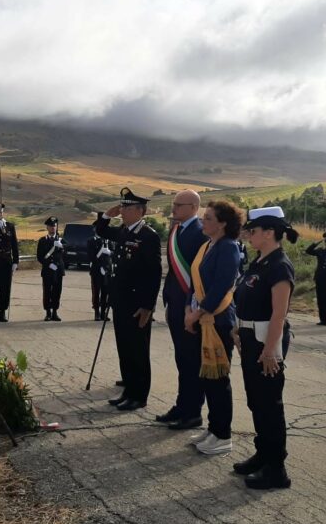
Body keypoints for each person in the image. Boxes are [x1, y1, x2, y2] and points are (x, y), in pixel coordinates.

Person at [232, 206, 297, 490]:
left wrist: (270, 351)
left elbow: (278, 314)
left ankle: (276, 467)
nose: (248, 235)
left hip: (265, 342)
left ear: (270, 233)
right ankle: (263, 454)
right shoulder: (259, 263)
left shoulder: (279, 265)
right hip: (249, 338)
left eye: (253, 231)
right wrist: (237, 329)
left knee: (270, 403)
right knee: (256, 400)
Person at [95, 187, 162, 411]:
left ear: (139, 211)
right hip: (121, 300)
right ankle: (129, 391)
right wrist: (107, 215)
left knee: (138, 350)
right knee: (125, 348)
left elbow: (153, 274)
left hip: (137, 303)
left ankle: (139, 395)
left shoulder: (148, 236)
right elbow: (101, 231)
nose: (122, 211)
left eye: (126, 207)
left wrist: (147, 306)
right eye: (121, 207)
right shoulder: (124, 231)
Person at [183, 201, 241, 455]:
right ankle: (213, 428)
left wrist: (198, 312)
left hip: (217, 320)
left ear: (223, 224)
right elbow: (193, 281)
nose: (203, 221)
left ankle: (223, 435)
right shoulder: (207, 245)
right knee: (205, 377)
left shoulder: (228, 247)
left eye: (208, 218)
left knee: (218, 379)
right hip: (200, 317)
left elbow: (221, 286)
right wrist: (188, 308)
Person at [156, 190, 207, 430]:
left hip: (191, 308)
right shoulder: (176, 230)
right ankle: (181, 405)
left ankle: (192, 411)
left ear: (194, 207)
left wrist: (192, 308)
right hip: (175, 304)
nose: (173, 208)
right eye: (173, 203)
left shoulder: (200, 233)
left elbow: (199, 276)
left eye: (178, 204)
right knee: (181, 359)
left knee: (191, 360)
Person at [37, 216, 65, 321]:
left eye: (54, 226)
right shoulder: (42, 241)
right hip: (47, 271)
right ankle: (48, 312)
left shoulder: (62, 240)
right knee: (47, 291)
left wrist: (62, 247)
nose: (53, 228)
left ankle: (55, 312)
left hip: (58, 271)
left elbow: (67, 254)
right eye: (51, 226)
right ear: (47, 228)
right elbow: (39, 256)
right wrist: (48, 264)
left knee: (57, 291)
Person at [88, 215, 113, 321]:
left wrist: (110, 252)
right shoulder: (91, 241)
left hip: (107, 270)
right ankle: (97, 313)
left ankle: (104, 313)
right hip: (96, 270)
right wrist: (99, 253)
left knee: (105, 292)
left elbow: (115, 253)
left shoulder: (109, 241)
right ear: (95, 229)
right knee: (96, 292)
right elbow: (90, 257)